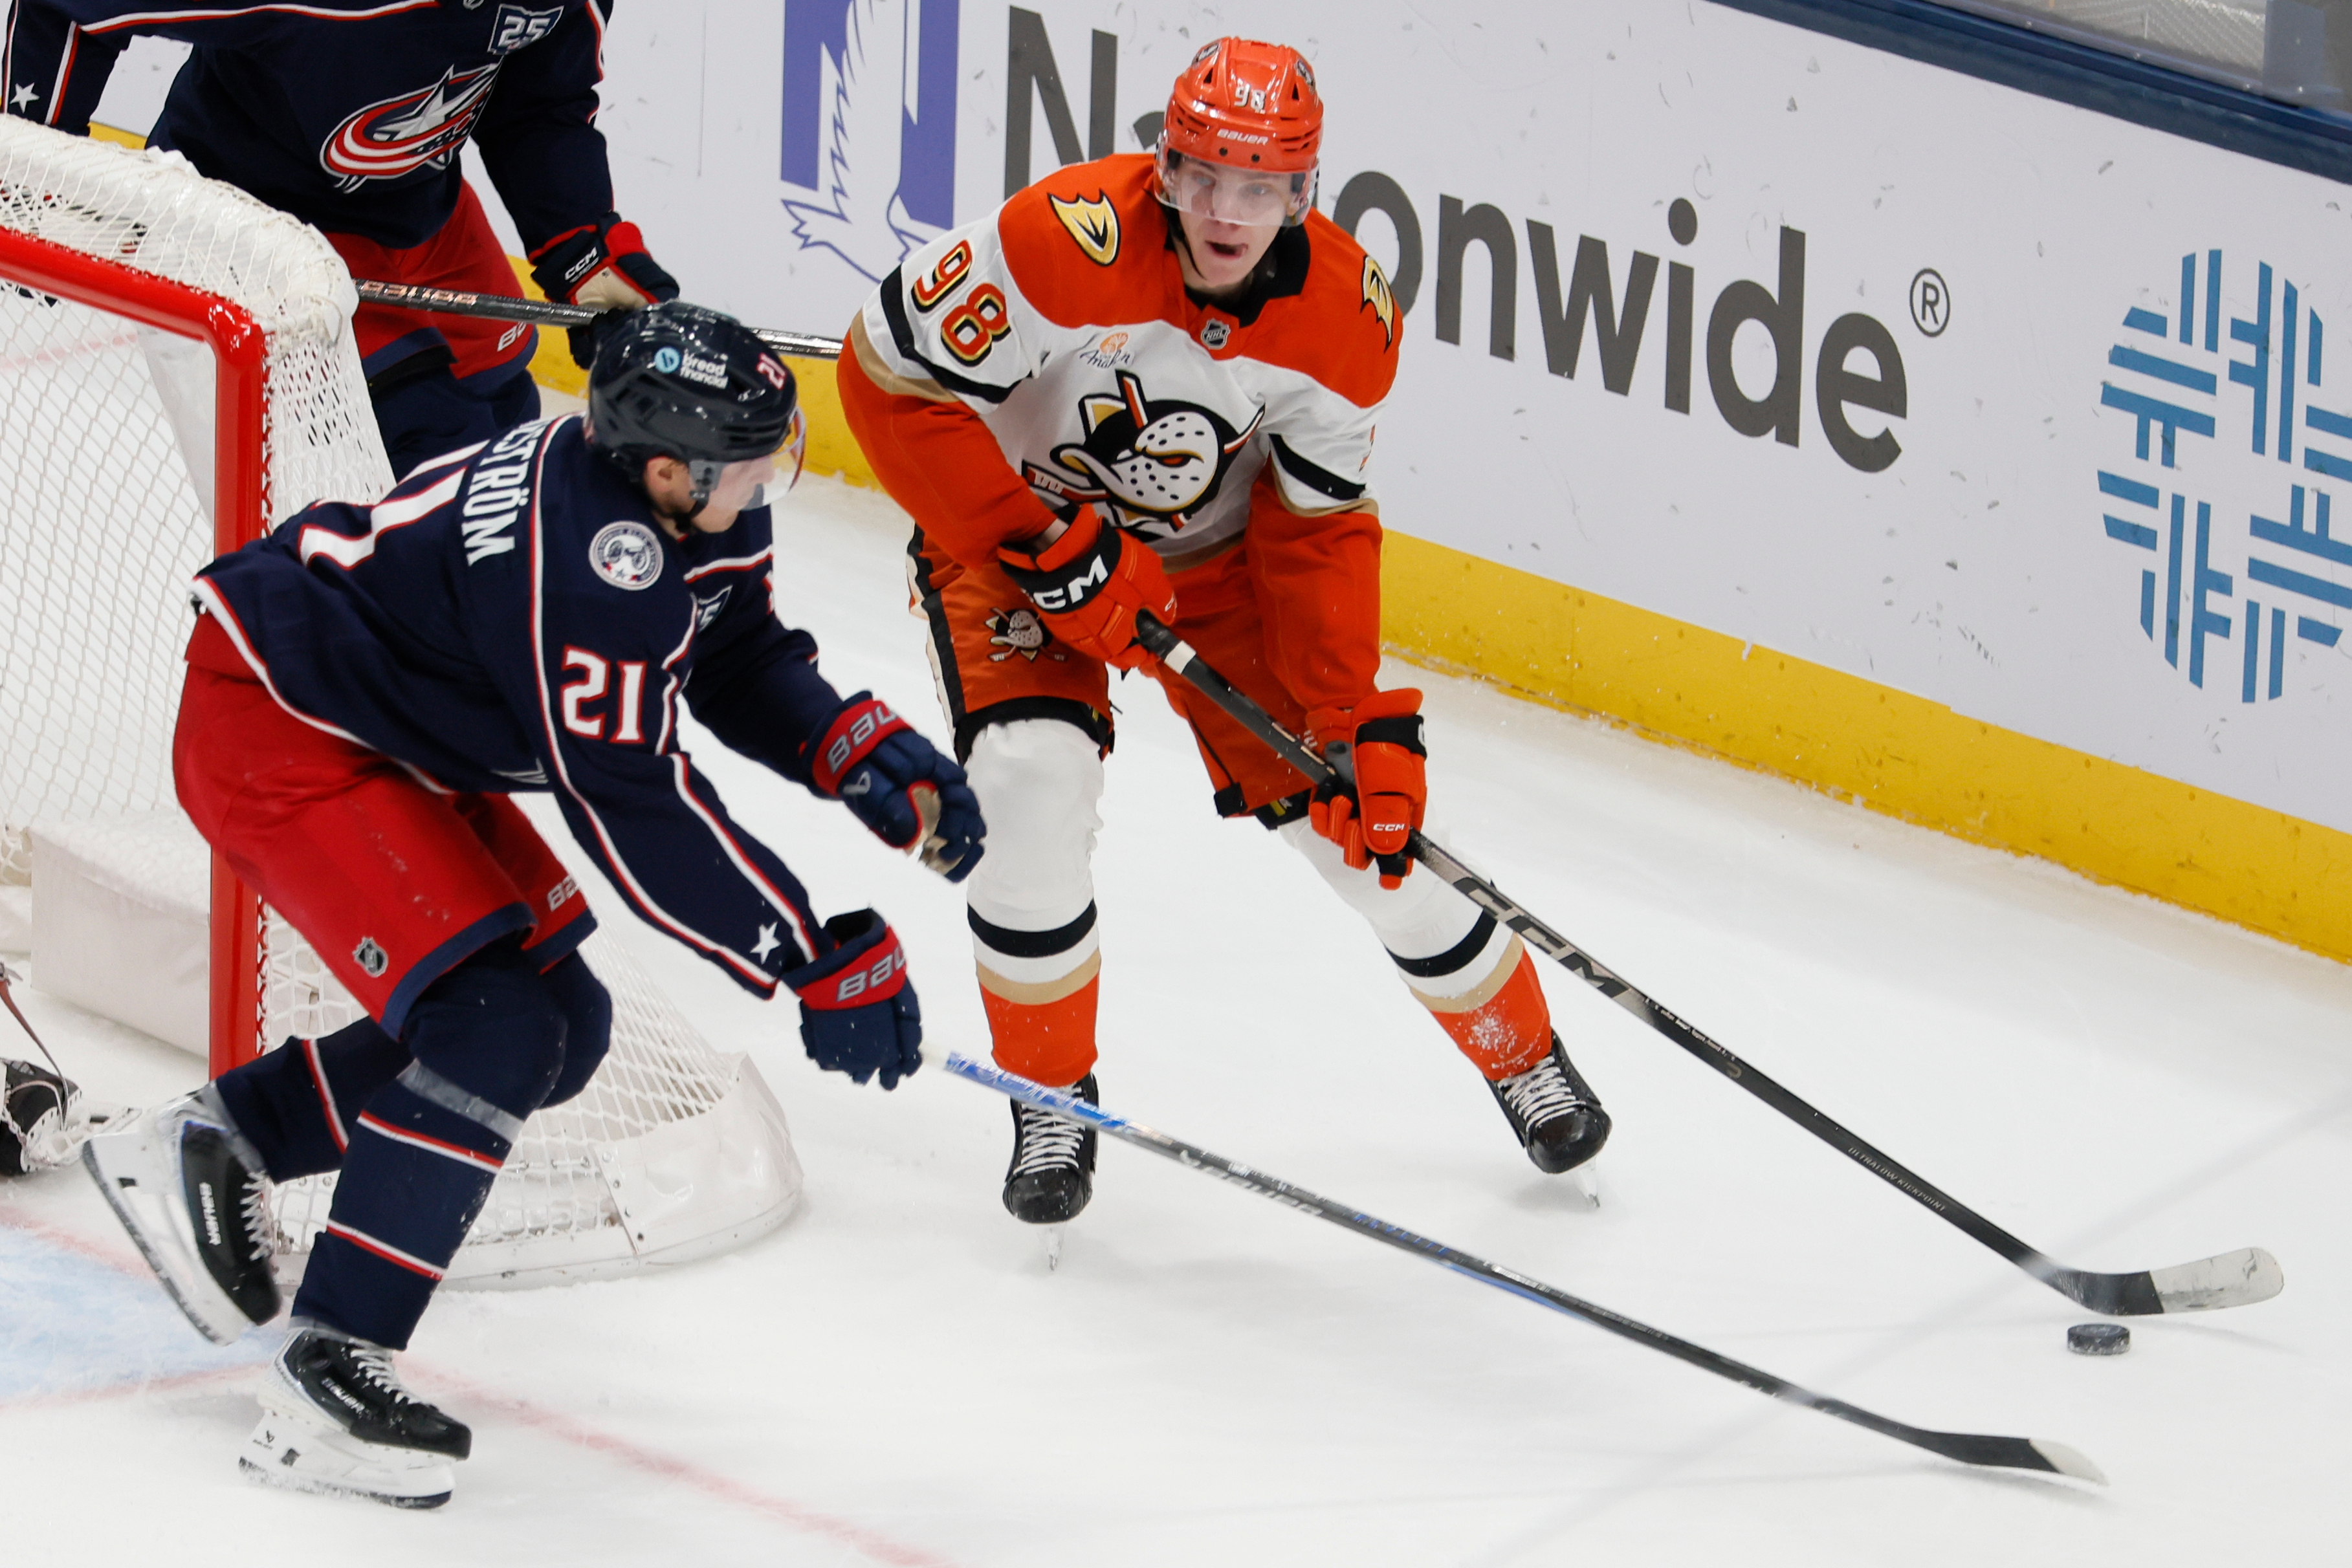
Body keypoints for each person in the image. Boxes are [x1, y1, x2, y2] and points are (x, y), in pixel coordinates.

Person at [81, 302, 984, 1508]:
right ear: (668, 468)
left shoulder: (673, 506)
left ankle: (219, 1138)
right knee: (495, 1025)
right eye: (755, 461)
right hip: (281, 726)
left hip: (383, 729)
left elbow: (732, 652)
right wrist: (809, 952)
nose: (773, 481)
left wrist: (850, 746)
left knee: (566, 1020)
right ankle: (328, 1369)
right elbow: (636, 810)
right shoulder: (598, 564)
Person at [837, 38, 1610, 1226]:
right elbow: (884, 381)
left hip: (1215, 563)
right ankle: (1050, 1092)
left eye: (1259, 186)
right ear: (1165, 165)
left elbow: (1317, 528)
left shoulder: (1349, 321)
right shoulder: (1059, 238)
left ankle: (1523, 1054)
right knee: (1028, 782)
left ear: (1305, 194)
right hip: (1016, 532)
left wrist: (1349, 718)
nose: (1226, 210)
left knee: (1372, 833)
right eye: (1203, 176)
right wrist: (1040, 537)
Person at [2, 0, 677, 474]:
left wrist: (580, 247)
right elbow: (68, 3)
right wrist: (34, 169)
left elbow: (537, 107)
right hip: (246, 229)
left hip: (421, 216)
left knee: (507, 425)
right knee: (441, 454)